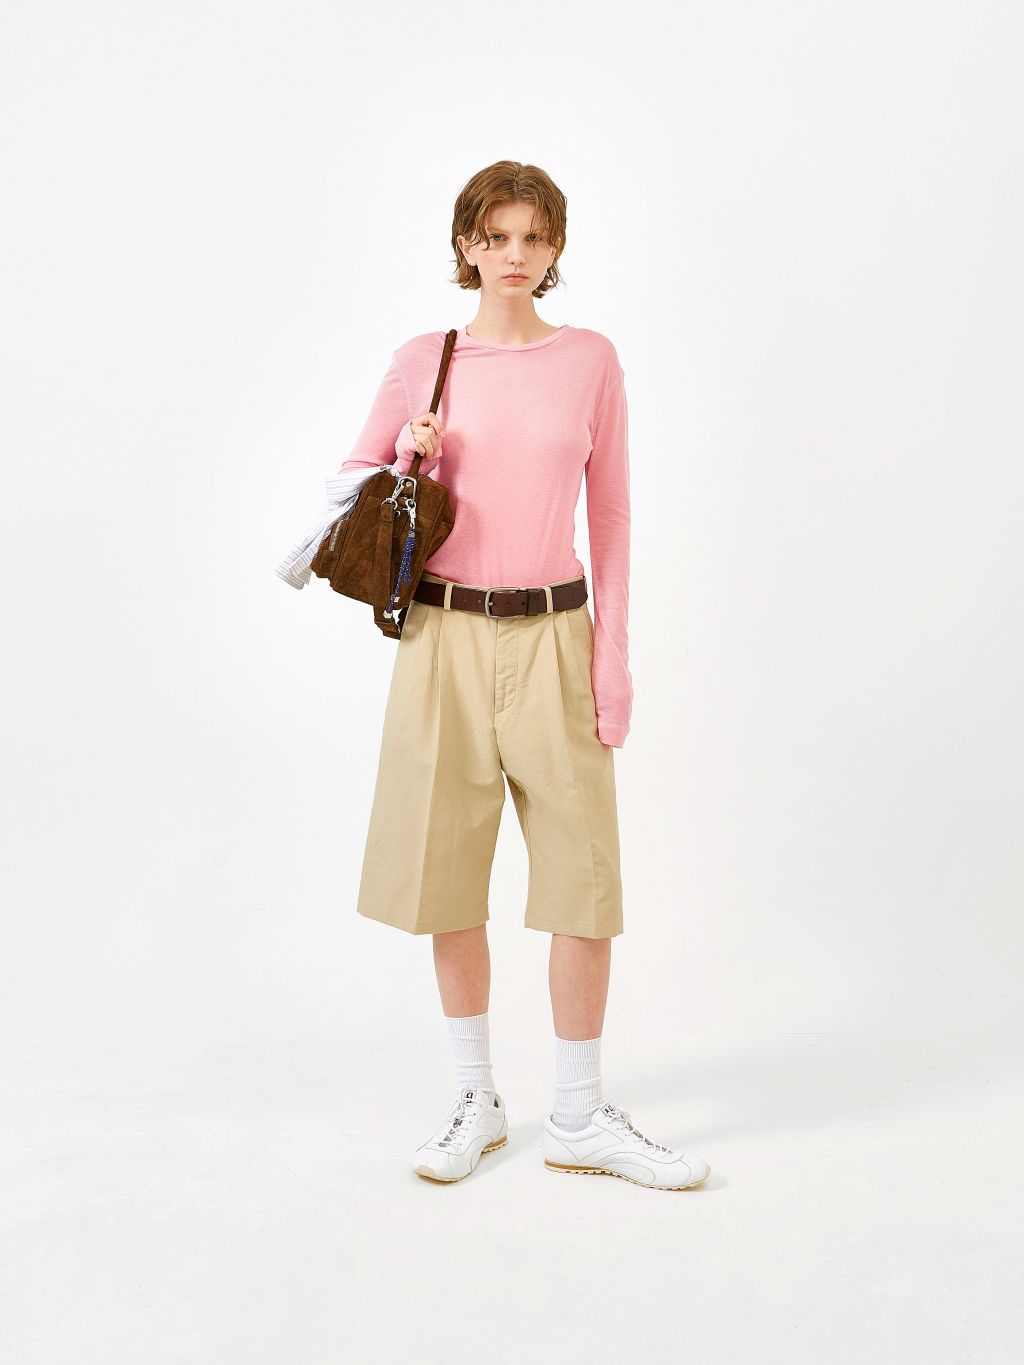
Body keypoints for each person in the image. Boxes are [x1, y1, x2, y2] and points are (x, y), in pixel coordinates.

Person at [339, 161, 710, 1191]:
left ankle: (580, 1113)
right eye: (494, 236)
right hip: (442, 635)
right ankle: (477, 1099)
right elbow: (349, 488)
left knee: (582, 878)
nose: (514, 255)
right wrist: (405, 455)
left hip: (555, 631)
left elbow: (613, 513)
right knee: (446, 871)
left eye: (533, 237)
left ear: (555, 249)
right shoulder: (424, 359)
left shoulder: (590, 360)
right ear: (465, 245)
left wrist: (611, 652)